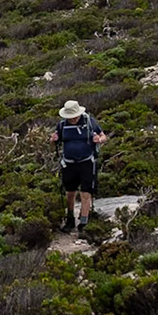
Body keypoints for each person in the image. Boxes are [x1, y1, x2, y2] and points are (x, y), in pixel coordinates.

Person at [52, 98, 107, 233]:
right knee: (70, 192)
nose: (73, 119)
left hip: (87, 162)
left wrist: (99, 140)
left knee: (86, 192)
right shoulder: (62, 125)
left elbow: (103, 136)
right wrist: (53, 139)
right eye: (70, 117)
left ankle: (84, 221)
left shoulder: (89, 121)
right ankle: (70, 219)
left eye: (74, 116)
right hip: (69, 163)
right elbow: (56, 139)